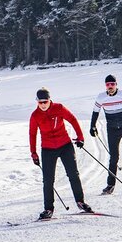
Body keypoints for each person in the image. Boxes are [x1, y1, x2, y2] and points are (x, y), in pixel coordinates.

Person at [28, 88, 95, 219]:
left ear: (49, 100)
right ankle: (48, 209)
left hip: (65, 146)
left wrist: (80, 137)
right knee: (48, 180)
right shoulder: (35, 115)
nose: (43, 104)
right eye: (40, 102)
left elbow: (73, 120)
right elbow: (32, 134)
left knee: (73, 175)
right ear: (37, 102)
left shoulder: (59, 108)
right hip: (47, 149)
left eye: (45, 101)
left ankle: (80, 202)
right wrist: (33, 153)